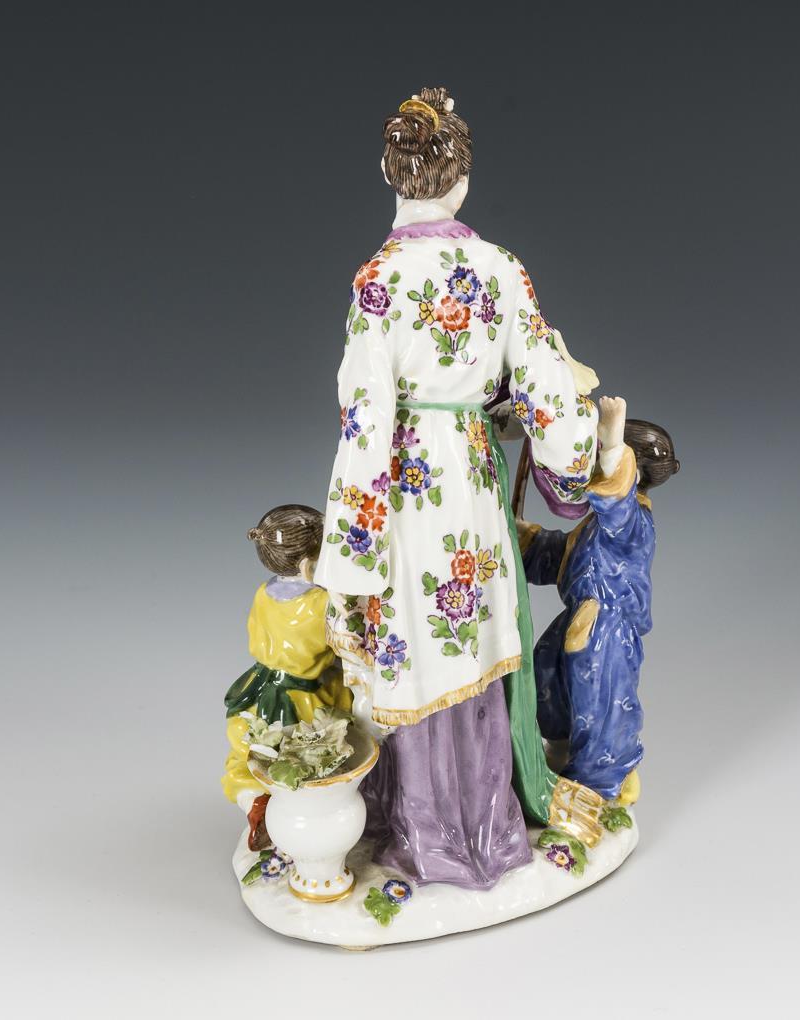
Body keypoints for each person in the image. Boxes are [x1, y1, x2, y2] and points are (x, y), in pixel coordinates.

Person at [314, 86, 598, 889]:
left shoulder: (379, 278)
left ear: (388, 173)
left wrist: (352, 553)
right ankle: (490, 829)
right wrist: (576, 456)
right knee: (473, 631)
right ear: (463, 182)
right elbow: (546, 385)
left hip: (408, 480)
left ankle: (429, 833)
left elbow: (364, 418)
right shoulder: (500, 268)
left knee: (415, 633)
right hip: (469, 477)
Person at [519, 397, 679, 802]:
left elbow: (616, 501)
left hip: (607, 628)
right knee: (546, 672)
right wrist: (528, 540)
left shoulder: (632, 521)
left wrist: (613, 439)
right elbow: (565, 558)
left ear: (630, 471)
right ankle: (560, 751)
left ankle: (601, 784)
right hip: (582, 616)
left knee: (601, 702)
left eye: (603, 456)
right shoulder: (599, 526)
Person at [221, 504, 352, 849]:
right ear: (310, 564)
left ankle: (254, 801)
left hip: (260, 687)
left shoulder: (263, 593)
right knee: (326, 751)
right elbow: (341, 647)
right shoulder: (321, 602)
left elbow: (255, 639)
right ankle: (314, 828)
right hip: (305, 696)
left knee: (245, 755)